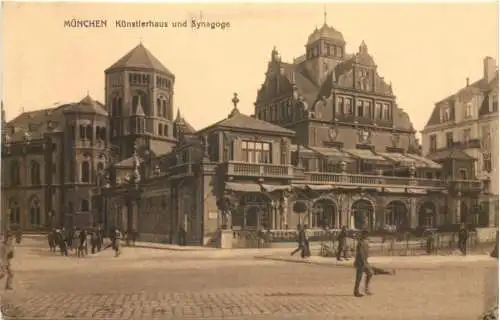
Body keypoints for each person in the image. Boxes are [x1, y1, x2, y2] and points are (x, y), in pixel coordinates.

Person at [353, 230, 395, 297]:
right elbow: (360, 253)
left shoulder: (364, 242)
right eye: (365, 235)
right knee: (360, 277)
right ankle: (357, 291)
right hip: (360, 262)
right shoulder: (361, 242)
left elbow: (365, 252)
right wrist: (362, 262)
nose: (366, 236)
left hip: (363, 262)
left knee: (369, 273)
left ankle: (364, 289)